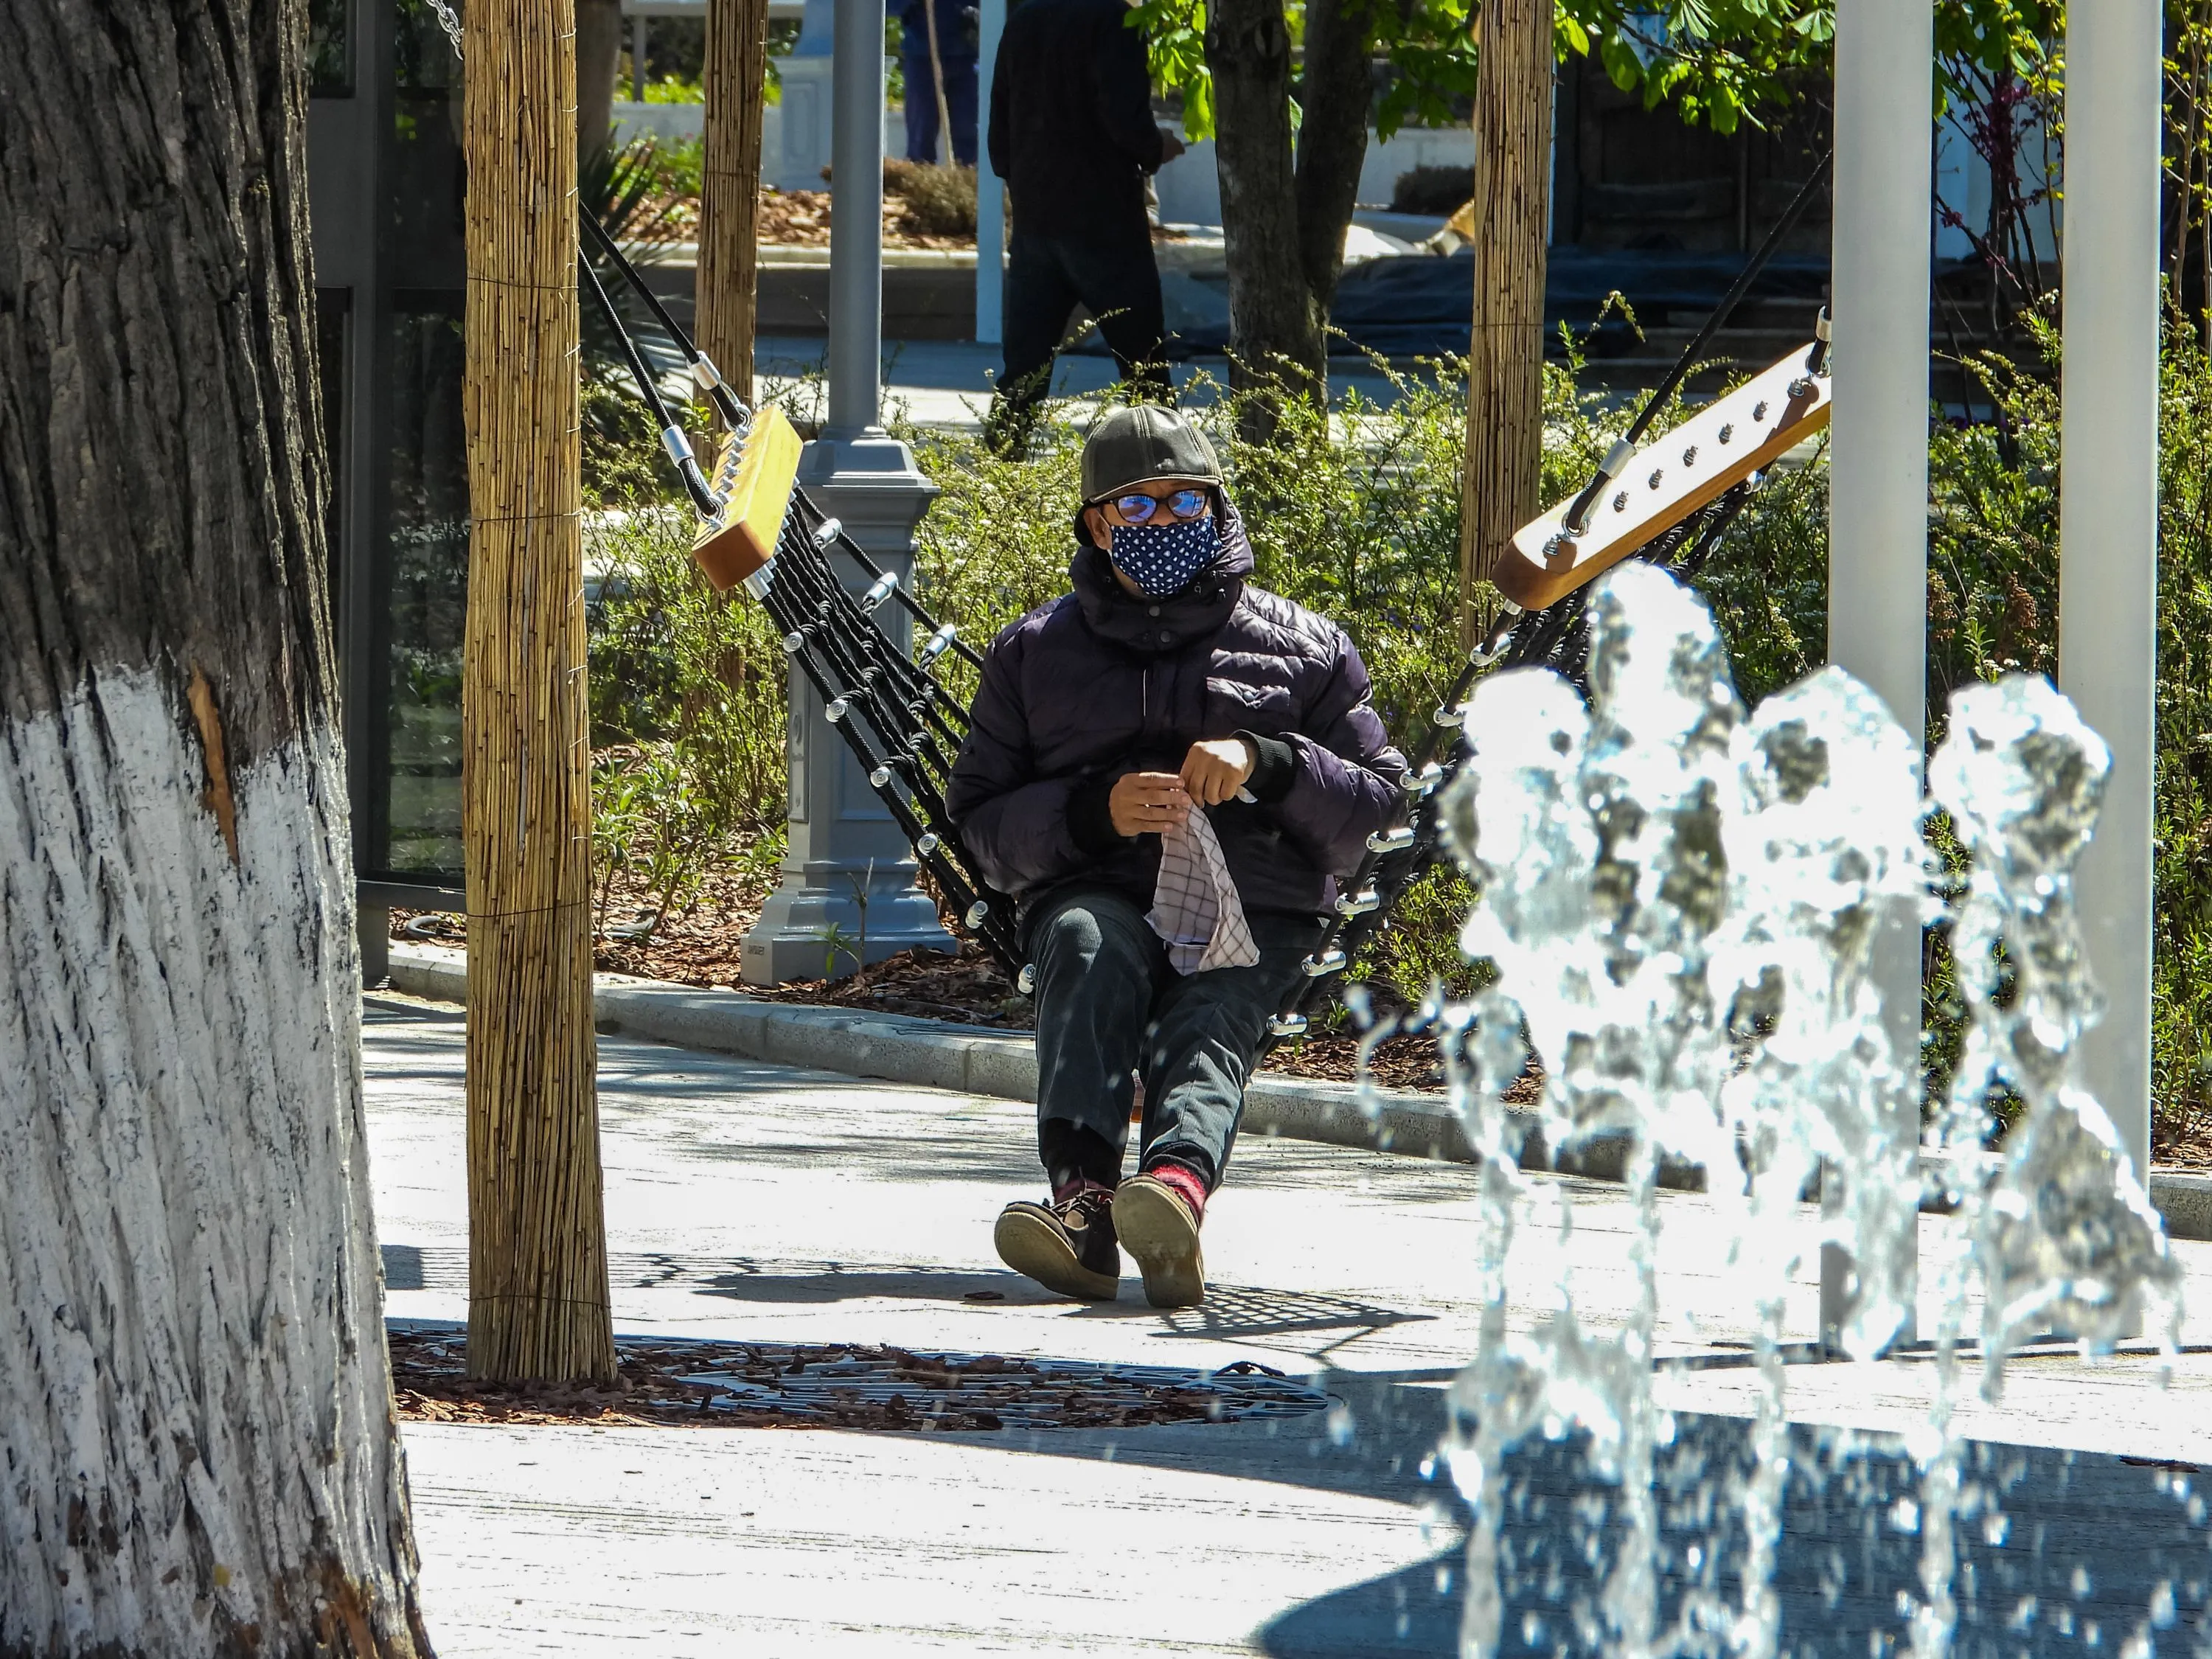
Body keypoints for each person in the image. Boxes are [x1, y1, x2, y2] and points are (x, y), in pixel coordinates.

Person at [945, 406, 1408, 1309]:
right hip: (1098, 887)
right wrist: (1092, 811)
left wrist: (1269, 763)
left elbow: (1382, 814)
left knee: (1215, 1007)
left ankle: (1171, 1197)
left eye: (1184, 502)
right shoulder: (1033, 654)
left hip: (1259, 900)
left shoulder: (1306, 647)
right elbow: (982, 823)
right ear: (1096, 525)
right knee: (1086, 949)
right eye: (1139, 508)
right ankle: (1083, 1210)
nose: (1166, 523)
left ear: (1217, 507)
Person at [982, 0, 1185, 454]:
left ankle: (998, 481)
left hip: (1037, 219)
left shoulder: (1024, 22)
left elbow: (999, 137)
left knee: (1024, 372)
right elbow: (1124, 119)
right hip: (1104, 220)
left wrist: (1029, 179)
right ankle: (1168, 481)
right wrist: (1158, 147)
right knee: (1144, 370)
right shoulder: (1116, 18)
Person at [898, 0, 979, 167]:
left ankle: (967, 182)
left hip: (965, 55)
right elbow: (889, 6)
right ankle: (920, 179)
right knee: (922, 129)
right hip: (923, 56)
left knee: (968, 128)